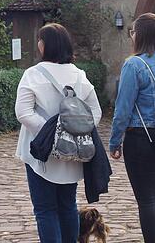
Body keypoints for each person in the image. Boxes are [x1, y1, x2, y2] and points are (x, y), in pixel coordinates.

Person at [14, 23, 102, 243]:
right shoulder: (79, 75)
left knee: (45, 209)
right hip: (72, 152)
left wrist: (50, 134)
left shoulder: (33, 74)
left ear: (43, 46)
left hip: (40, 152)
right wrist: (75, 131)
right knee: (67, 206)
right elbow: (95, 111)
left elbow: (23, 112)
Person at [108, 13, 155, 243]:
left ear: (139, 35)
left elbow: (123, 109)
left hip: (142, 138)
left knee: (148, 200)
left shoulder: (134, 64)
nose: (131, 36)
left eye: (132, 32)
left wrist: (114, 141)